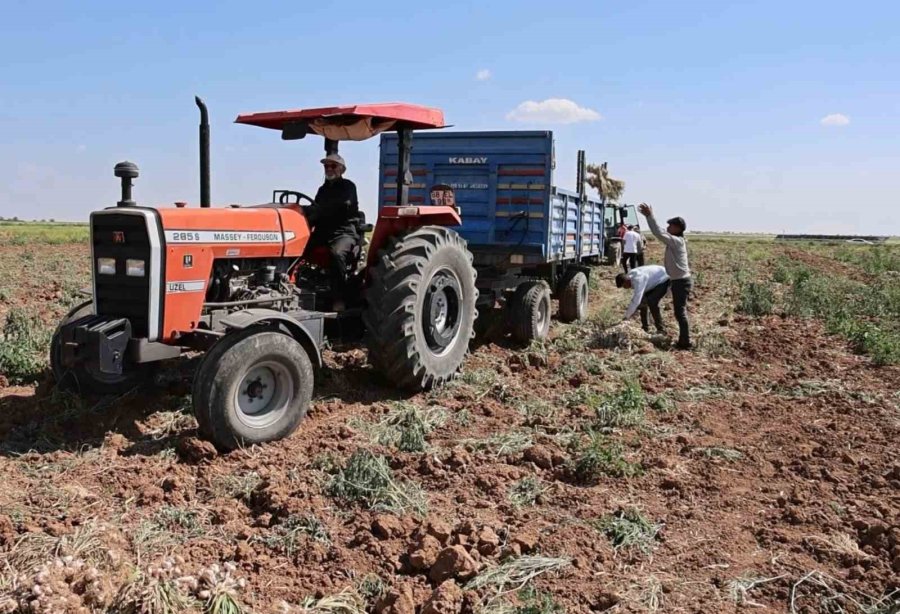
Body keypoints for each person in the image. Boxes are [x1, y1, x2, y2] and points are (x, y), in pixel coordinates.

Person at [304, 153, 360, 299]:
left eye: (333, 166)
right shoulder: (322, 190)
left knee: (337, 253)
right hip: (323, 232)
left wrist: (319, 211)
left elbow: (344, 205)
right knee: (299, 248)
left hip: (343, 232)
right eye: (326, 166)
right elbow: (315, 209)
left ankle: (340, 296)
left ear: (342, 169)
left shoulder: (348, 187)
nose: (329, 169)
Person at [637, 203, 692, 349]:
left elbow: (658, 233)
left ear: (677, 228)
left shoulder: (676, 241)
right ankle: (684, 340)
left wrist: (650, 216)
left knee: (680, 312)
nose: (668, 227)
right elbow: (661, 232)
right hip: (677, 281)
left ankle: (685, 342)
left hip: (681, 281)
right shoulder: (676, 240)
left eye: (670, 225)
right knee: (678, 312)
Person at [616, 265, 670, 334]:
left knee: (652, 302)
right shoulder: (631, 275)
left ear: (626, 282)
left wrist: (626, 316)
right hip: (653, 282)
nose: (625, 288)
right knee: (642, 303)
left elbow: (636, 300)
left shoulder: (638, 280)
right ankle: (645, 328)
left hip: (664, 279)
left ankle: (661, 329)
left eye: (624, 286)